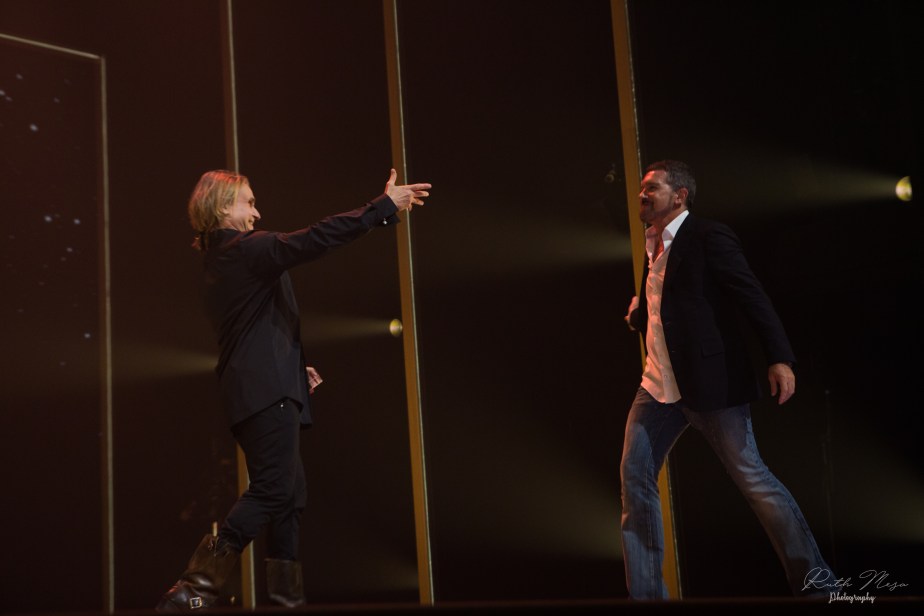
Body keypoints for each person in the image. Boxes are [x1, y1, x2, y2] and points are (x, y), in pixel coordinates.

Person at [156, 168, 431, 612]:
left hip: (259, 387)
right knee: (272, 489)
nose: (256, 212)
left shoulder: (221, 261)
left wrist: (290, 367)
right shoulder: (245, 251)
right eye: (248, 202)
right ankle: (196, 588)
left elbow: (251, 327)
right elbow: (316, 237)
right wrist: (382, 207)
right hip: (264, 392)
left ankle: (286, 598)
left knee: (289, 493)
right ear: (224, 207)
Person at [620, 159, 832, 599]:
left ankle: (819, 585)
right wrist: (640, 314)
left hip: (709, 385)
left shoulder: (707, 235)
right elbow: (673, 308)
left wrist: (780, 358)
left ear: (679, 195)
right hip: (658, 386)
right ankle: (646, 596)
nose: (643, 194)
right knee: (634, 475)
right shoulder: (652, 240)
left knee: (753, 478)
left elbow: (749, 293)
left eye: (652, 188)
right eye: (642, 188)